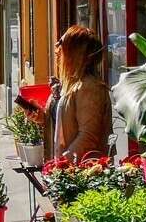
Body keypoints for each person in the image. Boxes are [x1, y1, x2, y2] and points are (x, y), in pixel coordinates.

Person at [48, 25, 112, 159]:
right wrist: (41, 117)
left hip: (82, 173)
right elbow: (64, 124)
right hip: (70, 170)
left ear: (75, 52)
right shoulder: (73, 84)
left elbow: (88, 136)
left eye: (61, 43)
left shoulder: (89, 87)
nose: (56, 47)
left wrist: (63, 163)